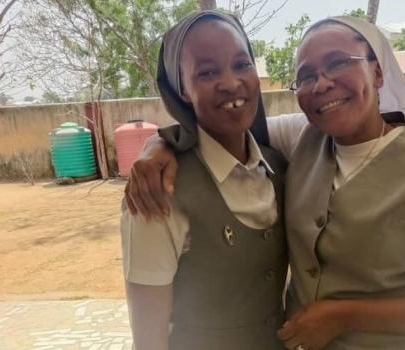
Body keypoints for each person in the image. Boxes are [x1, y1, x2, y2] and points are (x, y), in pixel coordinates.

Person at [126, 16, 405, 350]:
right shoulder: (304, 138)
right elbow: (223, 129)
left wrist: (343, 316)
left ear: (378, 71)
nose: (322, 84)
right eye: (305, 76)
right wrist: (157, 145)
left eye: (338, 63)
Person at [120, 10, 288, 350]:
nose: (230, 82)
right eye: (208, 72)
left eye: (242, 64)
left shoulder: (278, 164)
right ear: (182, 89)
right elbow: (149, 339)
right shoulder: (159, 193)